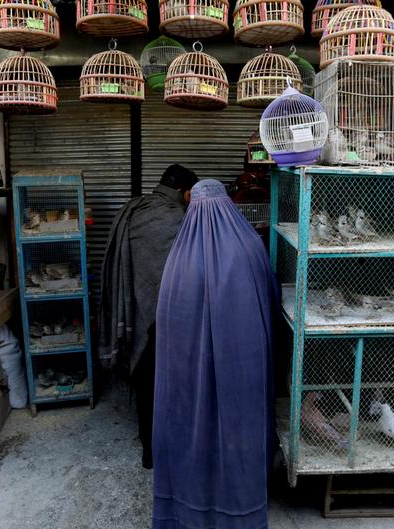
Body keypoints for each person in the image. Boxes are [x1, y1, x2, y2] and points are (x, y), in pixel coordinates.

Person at [152, 179, 277, 529]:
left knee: (192, 429)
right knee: (238, 430)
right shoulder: (249, 244)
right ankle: (240, 507)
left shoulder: (180, 257)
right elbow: (270, 296)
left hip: (187, 374)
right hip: (244, 366)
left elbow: (167, 321)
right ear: (230, 207)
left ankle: (189, 507)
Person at [99, 164, 199, 469]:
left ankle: (150, 451)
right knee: (175, 385)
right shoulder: (179, 219)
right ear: (184, 193)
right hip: (168, 319)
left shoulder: (133, 208)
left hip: (134, 314)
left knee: (145, 385)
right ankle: (173, 447)